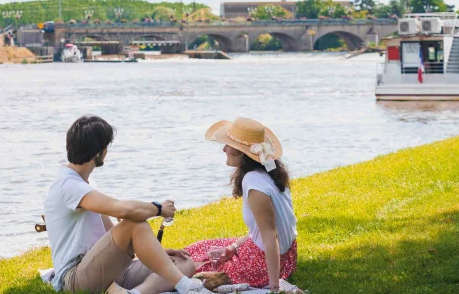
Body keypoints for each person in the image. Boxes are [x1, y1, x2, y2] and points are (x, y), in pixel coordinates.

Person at [44, 115, 212, 294]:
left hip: (104, 270)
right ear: (98, 152)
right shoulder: (69, 185)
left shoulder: (85, 184)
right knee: (133, 222)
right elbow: (124, 210)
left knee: (183, 263)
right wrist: (159, 208)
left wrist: (156, 254)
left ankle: (136, 293)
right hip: (75, 279)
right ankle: (189, 288)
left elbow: (110, 235)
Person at [185, 118, 301, 293]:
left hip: (263, 263)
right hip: (285, 258)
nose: (224, 149)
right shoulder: (270, 173)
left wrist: (274, 287)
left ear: (242, 153)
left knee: (187, 267)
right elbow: (263, 230)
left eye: (228, 145)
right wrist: (234, 247)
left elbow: (271, 236)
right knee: (196, 249)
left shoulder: (254, 183)